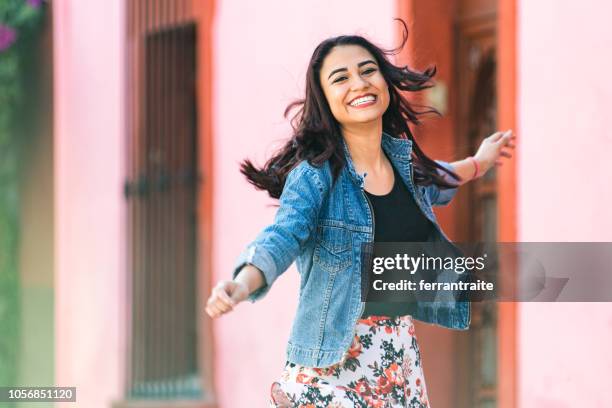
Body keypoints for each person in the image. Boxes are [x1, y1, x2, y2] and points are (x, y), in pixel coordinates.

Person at [205, 19, 515, 408]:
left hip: (397, 359)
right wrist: (243, 282)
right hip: (332, 362)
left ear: (384, 83)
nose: (359, 83)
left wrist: (480, 162)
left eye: (368, 71)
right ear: (326, 99)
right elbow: (283, 236)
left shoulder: (404, 167)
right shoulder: (316, 175)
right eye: (341, 78)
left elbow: (438, 180)